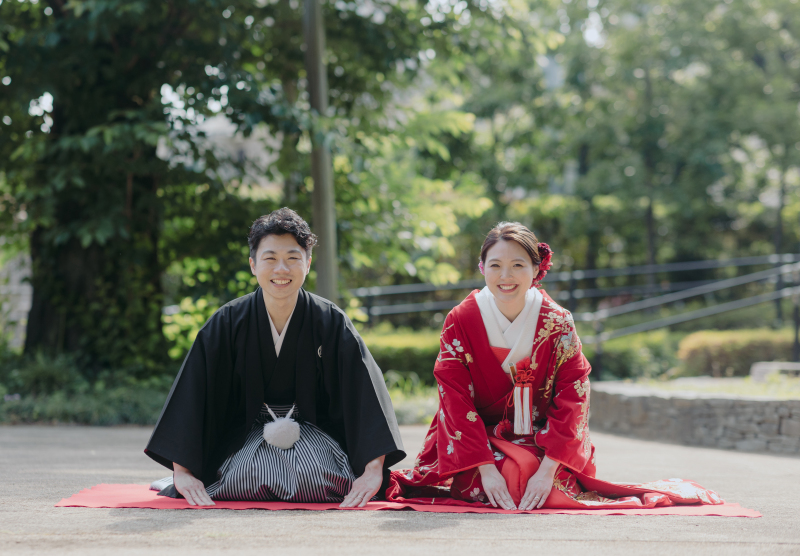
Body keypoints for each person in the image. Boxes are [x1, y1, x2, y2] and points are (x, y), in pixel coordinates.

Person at [387, 222, 722, 510]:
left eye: (518, 265)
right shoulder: (461, 319)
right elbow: (454, 397)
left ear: (536, 269)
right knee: (501, 480)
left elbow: (574, 395)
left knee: (527, 479)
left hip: (541, 439)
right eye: (495, 265)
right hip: (474, 442)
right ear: (481, 267)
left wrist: (547, 471)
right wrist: (485, 468)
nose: (506, 276)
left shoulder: (557, 321)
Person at [145, 208, 405, 507]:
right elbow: (194, 393)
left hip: (315, 434)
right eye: (270, 258)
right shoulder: (228, 321)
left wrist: (372, 471)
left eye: (293, 258)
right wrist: (183, 472)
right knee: (244, 477)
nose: (281, 269)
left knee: (318, 478)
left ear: (308, 264)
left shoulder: (330, 321)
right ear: (253, 264)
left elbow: (363, 393)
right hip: (244, 436)